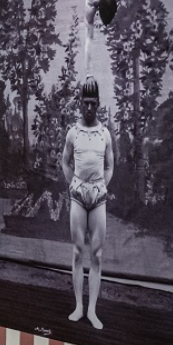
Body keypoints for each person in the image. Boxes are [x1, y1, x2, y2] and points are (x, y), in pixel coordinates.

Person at [61, 78, 115, 330]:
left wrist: (102, 185)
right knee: (77, 252)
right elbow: (64, 160)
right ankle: (78, 307)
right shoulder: (73, 132)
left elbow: (110, 165)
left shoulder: (105, 134)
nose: (90, 108)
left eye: (94, 103)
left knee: (97, 254)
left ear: (98, 104)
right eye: (86, 103)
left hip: (98, 197)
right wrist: (73, 182)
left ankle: (92, 310)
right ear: (80, 104)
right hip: (78, 195)